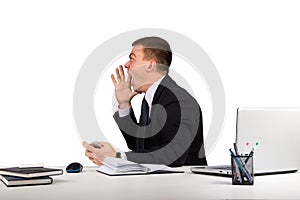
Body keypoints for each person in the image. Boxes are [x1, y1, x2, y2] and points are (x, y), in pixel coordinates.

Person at [83, 37, 207, 167]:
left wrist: (118, 157)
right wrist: (124, 104)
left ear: (150, 65)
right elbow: (139, 147)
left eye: (132, 59)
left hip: (186, 185)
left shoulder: (178, 100)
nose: (126, 65)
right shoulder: (149, 100)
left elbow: (174, 157)